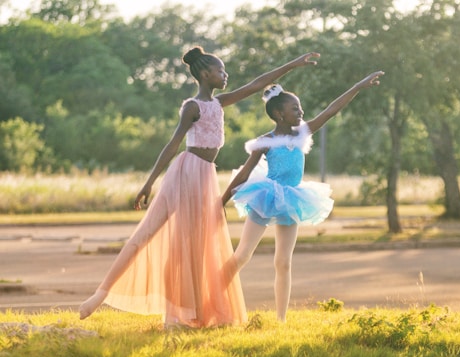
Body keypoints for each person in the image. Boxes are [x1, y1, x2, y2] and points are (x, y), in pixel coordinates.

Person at [79, 46, 320, 328]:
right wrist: (149, 182)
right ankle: (102, 295)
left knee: (196, 245)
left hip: (206, 175)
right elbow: (173, 144)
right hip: (186, 170)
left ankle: (190, 312)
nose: (225, 74)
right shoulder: (191, 106)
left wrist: (294, 63)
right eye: (220, 70)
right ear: (205, 74)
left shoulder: (219, 103)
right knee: (155, 233)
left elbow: (257, 84)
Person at [222, 70, 384, 322]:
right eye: (295, 109)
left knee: (283, 262)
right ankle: (210, 296)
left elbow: (331, 110)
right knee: (242, 255)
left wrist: (359, 86)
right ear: (279, 114)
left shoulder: (302, 134)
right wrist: (220, 202)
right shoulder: (266, 141)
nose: (301, 112)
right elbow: (244, 173)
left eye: (300, 108)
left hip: (292, 200)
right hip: (266, 197)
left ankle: (281, 319)